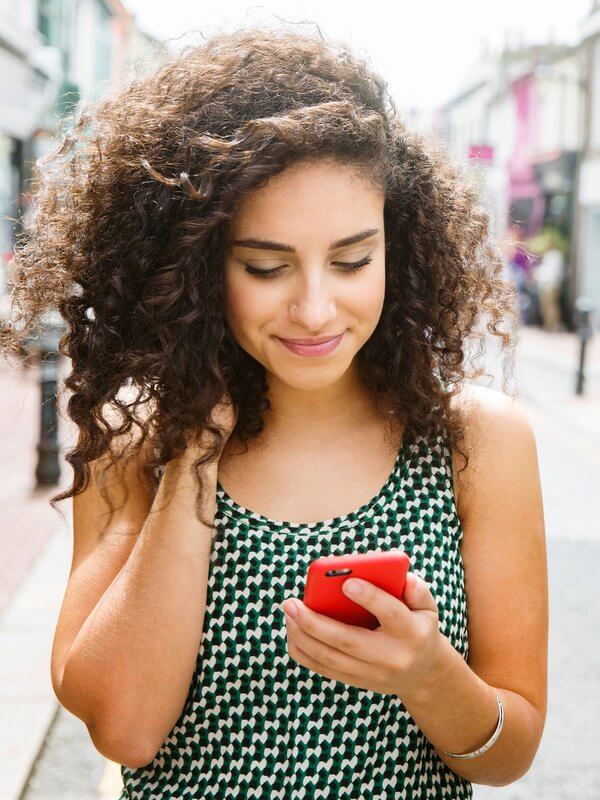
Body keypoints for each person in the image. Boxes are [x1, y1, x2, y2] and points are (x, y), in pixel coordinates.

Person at [1, 24, 548, 799]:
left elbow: (510, 750)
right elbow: (125, 728)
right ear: (195, 263)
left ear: (400, 246)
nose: (316, 309)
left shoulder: (476, 441)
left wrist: (430, 678)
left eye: (354, 260)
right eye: (266, 266)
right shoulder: (139, 437)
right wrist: (193, 453)